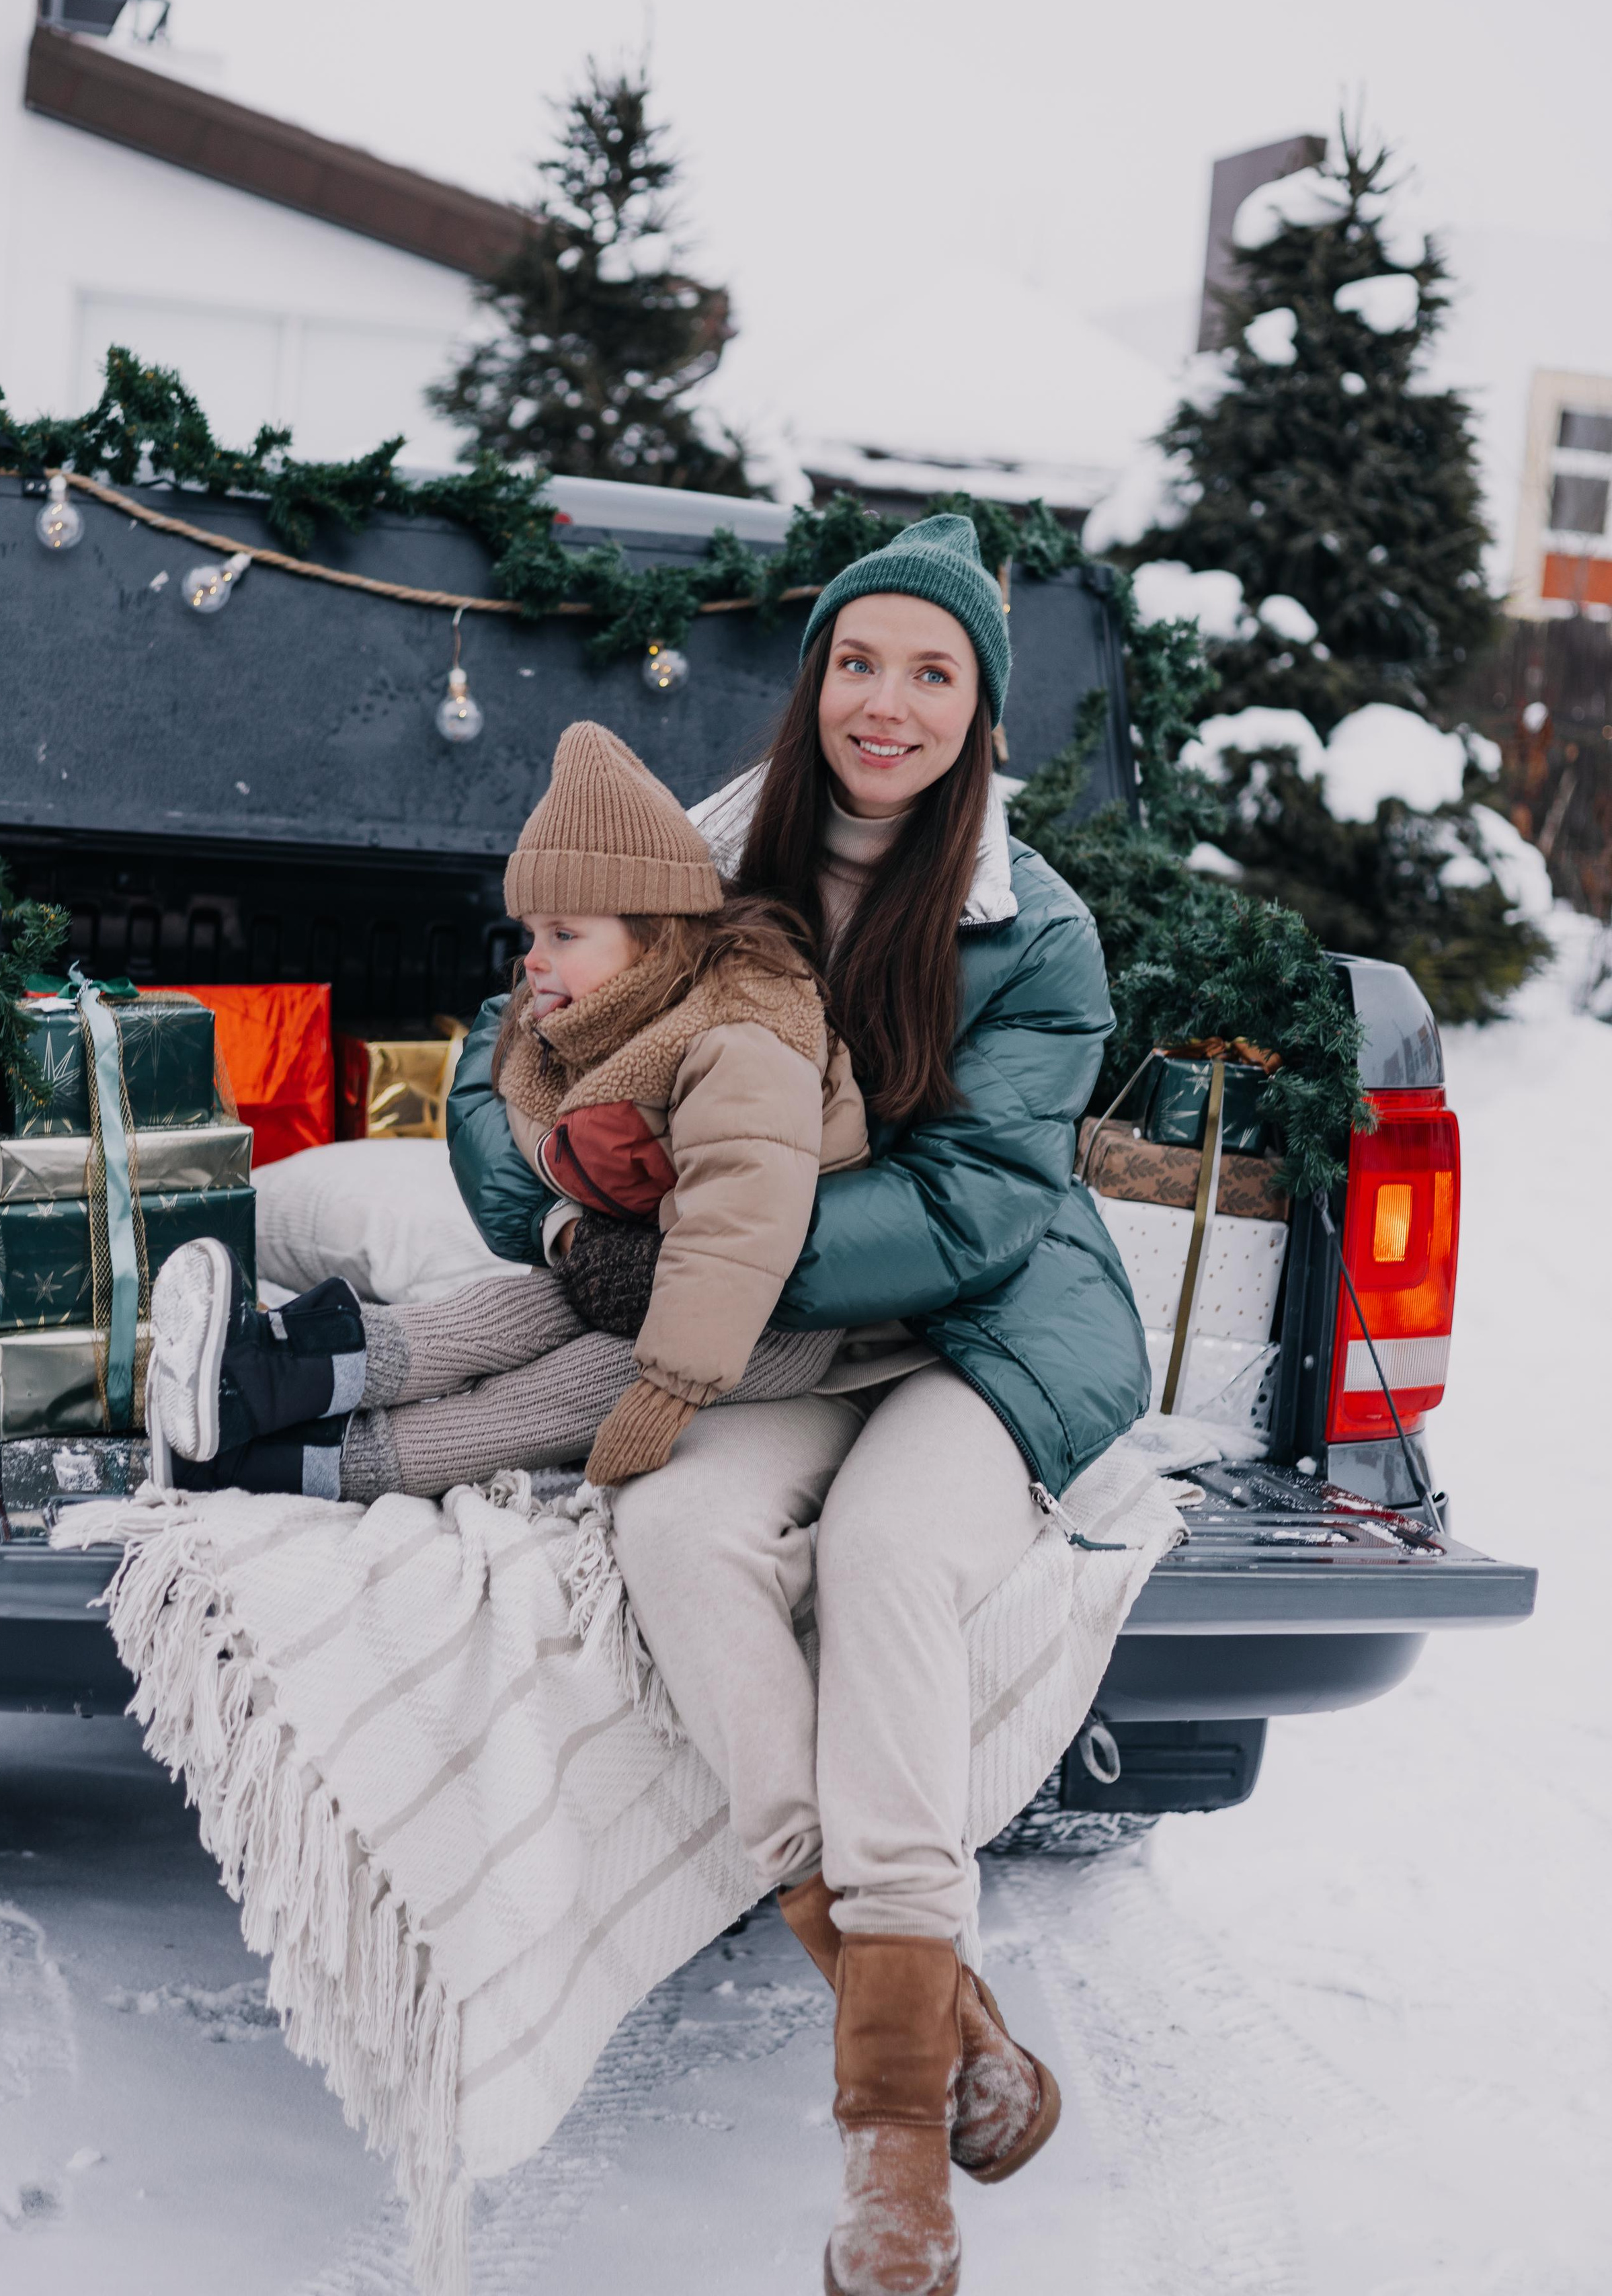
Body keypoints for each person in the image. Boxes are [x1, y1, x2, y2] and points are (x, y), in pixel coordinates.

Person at [450, 514, 1152, 2296]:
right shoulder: (688, 856)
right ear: (815, 679)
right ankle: (927, 2012)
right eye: (859, 661)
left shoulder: (1037, 932)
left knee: (897, 1557)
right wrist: (555, 1211)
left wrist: (689, 1253)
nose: (887, 701)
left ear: (981, 714)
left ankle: (891, 2147)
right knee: (678, 1523)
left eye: (933, 672)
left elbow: (977, 1202)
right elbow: (500, 1055)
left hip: (981, 1332)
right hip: (785, 1339)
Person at [143, 722, 865, 1499]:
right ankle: (271, 1369)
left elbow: (740, 1229)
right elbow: (542, 1134)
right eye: (531, 933)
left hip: (768, 1319)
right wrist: (566, 1232)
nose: (534, 958)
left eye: (563, 933)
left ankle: (309, 1465)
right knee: (493, 1317)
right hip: (650, 1268)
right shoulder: (604, 1014)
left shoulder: (742, 1034)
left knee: (555, 1389)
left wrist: (668, 1393)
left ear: (656, 936)